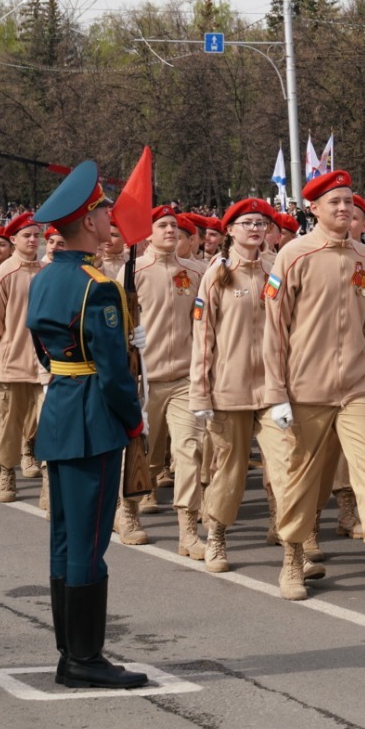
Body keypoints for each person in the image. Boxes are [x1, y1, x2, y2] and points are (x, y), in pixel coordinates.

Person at [263, 169, 365, 606]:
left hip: (356, 387)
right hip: (306, 389)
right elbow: (276, 332)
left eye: (348, 201)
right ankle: (293, 557)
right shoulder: (294, 256)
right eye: (333, 201)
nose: (343, 208)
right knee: (302, 479)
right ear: (313, 208)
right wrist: (277, 393)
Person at [26, 160, 148, 690]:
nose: (109, 217)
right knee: (90, 541)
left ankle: (69, 651)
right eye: (102, 210)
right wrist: (134, 422)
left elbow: (42, 349)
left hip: (60, 408)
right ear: (87, 222)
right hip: (94, 416)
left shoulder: (46, 277)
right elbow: (115, 372)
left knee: (64, 537)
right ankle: (85, 657)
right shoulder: (96, 286)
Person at [190, 198, 287, 575]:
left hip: (273, 390)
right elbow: (203, 336)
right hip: (229, 389)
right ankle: (216, 536)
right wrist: (201, 390)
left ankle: (292, 541)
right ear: (230, 231)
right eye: (246, 223)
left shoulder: (275, 269)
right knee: (229, 471)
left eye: (260, 223)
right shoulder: (217, 274)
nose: (254, 229)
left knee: (285, 466)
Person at [134, 206, 205, 556]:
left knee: (188, 451)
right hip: (144, 379)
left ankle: (188, 530)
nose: (170, 231)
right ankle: (128, 511)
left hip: (185, 378)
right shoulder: (133, 271)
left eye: (174, 226)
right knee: (142, 454)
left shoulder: (195, 271)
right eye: (161, 225)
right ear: (147, 233)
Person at [0, 212, 45, 503]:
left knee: (47, 424)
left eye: (36, 235)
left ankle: (49, 482)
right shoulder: (3, 274)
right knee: (10, 424)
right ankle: (5, 469)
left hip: (46, 365)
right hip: (13, 363)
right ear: (14, 240)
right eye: (26, 236)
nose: (33, 240)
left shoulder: (47, 271)